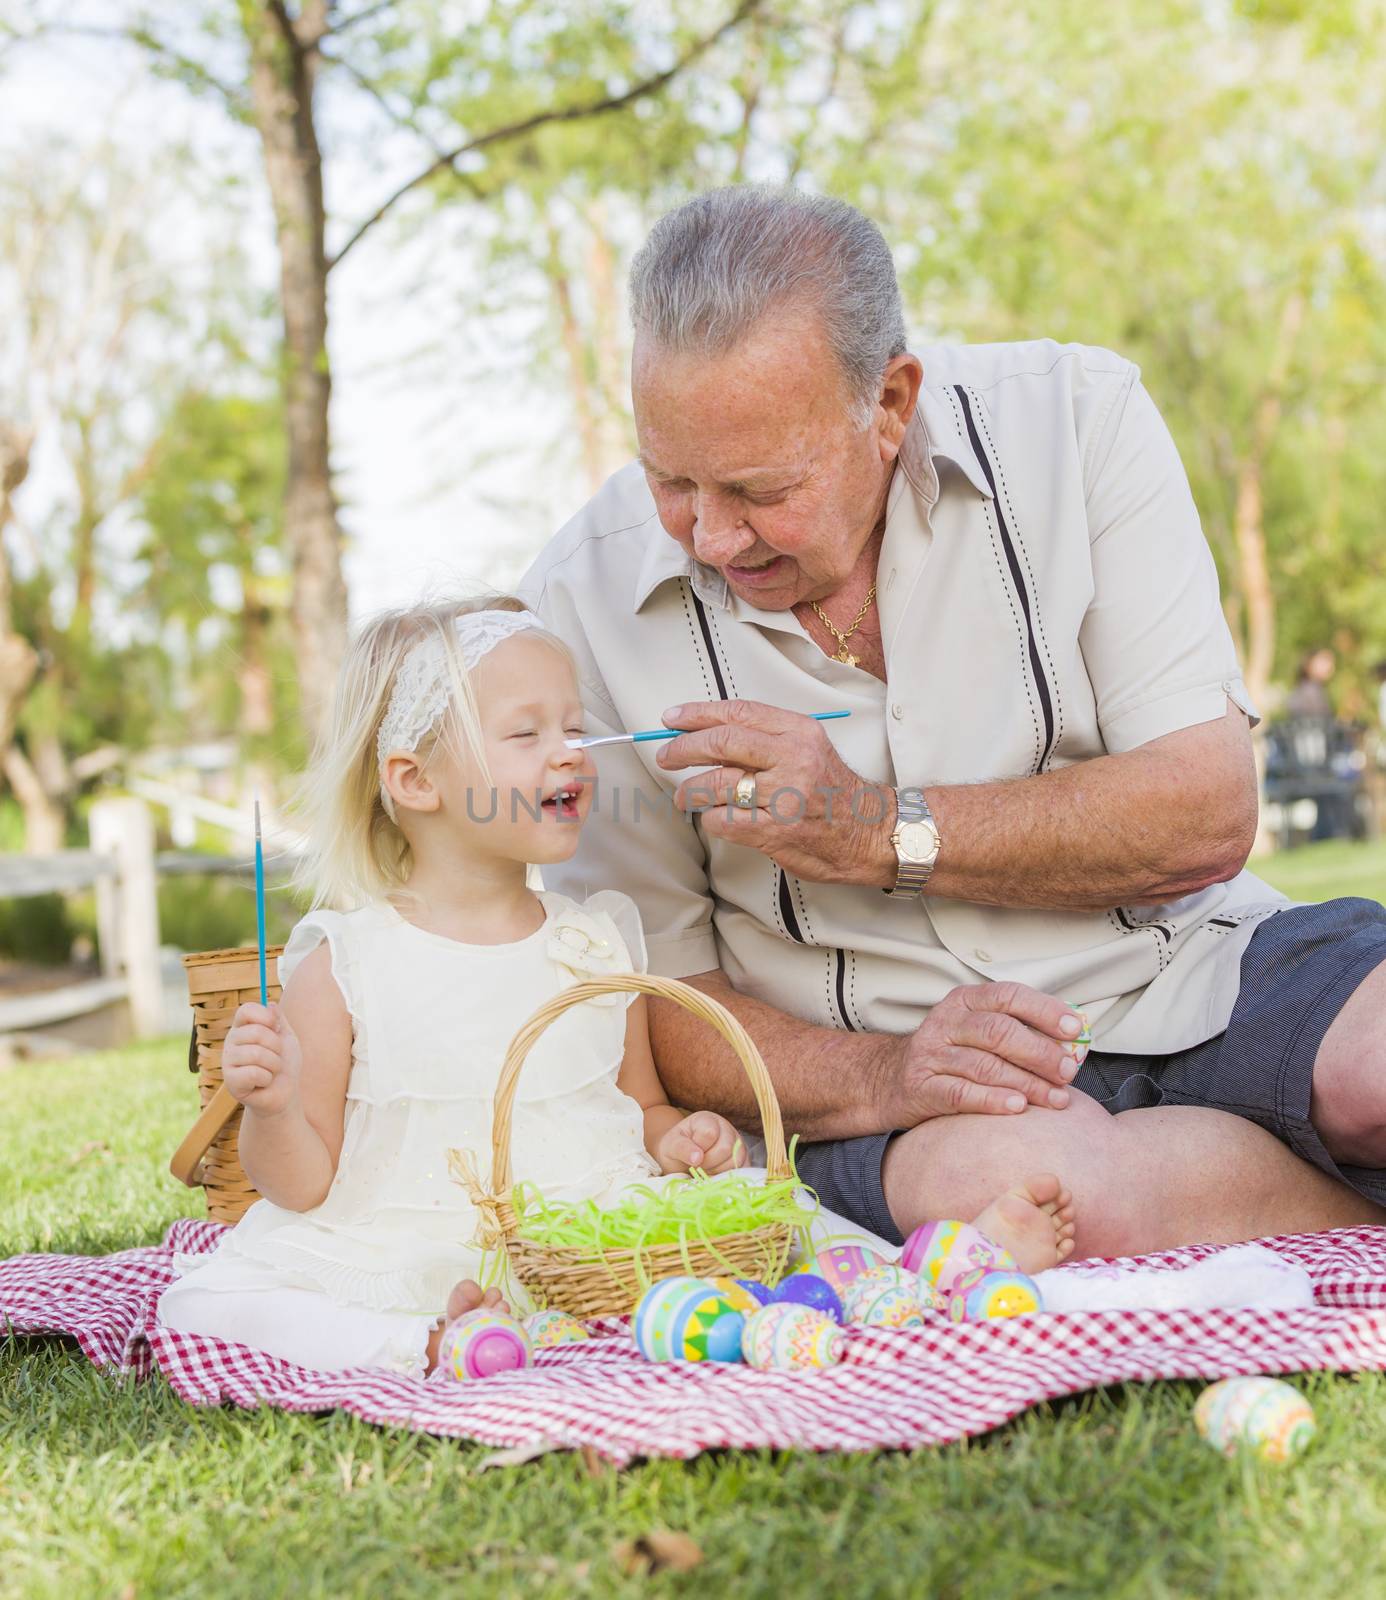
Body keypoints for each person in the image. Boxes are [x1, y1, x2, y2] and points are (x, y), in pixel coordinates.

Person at [520, 186, 1386, 1259]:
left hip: (1188, 965)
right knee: (1045, 1201)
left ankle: (1230, 1168)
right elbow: (658, 1006)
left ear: (888, 403)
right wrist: (890, 1074)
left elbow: (1206, 811)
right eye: (669, 479)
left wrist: (875, 830)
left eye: (758, 488)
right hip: (892, 1080)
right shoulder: (579, 598)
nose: (711, 534)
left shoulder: (1078, 416)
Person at [156, 598, 1077, 1376]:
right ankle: (422, 1339)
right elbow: (303, 1185)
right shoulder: (346, 961)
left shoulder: (593, 938)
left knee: (777, 1222)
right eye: (527, 734)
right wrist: (269, 1107)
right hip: (416, 1241)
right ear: (414, 781)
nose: (571, 753)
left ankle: (945, 1268)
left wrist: (685, 1139)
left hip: (598, 1232)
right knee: (208, 1305)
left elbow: (637, 1105)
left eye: (573, 727)